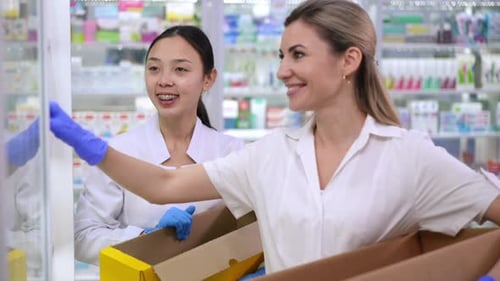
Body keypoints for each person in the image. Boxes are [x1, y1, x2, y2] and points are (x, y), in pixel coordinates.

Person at [49, 0, 500, 277]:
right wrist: (93, 146)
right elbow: (164, 186)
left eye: (298, 55)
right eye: (281, 55)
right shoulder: (270, 154)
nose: (282, 69)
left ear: (349, 60)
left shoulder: (409, 158)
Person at [72, 25, 245, 265]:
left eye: (180, 70)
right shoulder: (119, 152)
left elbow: (246, 233)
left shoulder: (231, 153)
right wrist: (143, 238)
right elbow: (83, 238)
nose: (164, 80)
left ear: (208, 78)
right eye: (154, 68)